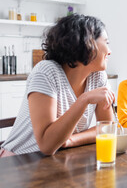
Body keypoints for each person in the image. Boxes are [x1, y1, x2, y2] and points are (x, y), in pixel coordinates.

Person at [0, 14, 115, 157]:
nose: (109, 51)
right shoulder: (46, 72)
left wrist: (71, 140)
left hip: (56, 161)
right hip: (17, 161)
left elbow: (108, 128)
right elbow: (46, 145)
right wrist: (84, 100)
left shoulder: (98, 76)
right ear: (88, 43)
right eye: (106, 42)